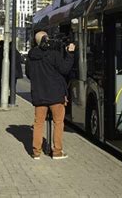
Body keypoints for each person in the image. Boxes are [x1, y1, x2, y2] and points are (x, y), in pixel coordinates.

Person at [27, 31, 75, 160]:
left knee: (38, 123)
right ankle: (57, 151)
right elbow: (65, 69)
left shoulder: (31, 56)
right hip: (56, 94)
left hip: (39, 95)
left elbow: (29, 74)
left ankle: (36, 152)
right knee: (58, 123)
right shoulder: (54, 54)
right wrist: (69, 54)